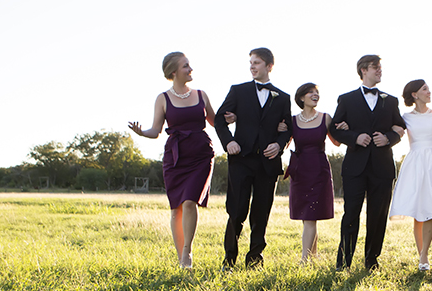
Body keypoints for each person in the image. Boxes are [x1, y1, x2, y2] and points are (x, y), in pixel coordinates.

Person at [128, 51, 215, 269]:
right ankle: (181, 258)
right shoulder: (163, 99)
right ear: (174, 72)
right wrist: (141, 133)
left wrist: (233, 117)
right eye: (186, 66)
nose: (190, 69)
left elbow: (216, 121)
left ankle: (188, 253)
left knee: (189, 201)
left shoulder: (201, 95)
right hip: (176, 158)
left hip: (201, 154)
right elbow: (155, 130)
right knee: (176, 207)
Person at [214, 48, 292, 269]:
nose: (252, 66)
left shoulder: (283, 97)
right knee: (236, 210)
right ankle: (229, 260)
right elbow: (220, 120)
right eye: (250, 63)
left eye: (256, 62)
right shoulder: (238, 91)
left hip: (267, 163)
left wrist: (278, 145)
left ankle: (255, 260)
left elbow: (288, 129)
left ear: (269, 66)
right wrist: (229, 142)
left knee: (261, 212)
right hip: (241, 160)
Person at [329, 55, 406, 271]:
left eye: (380, 67)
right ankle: (343, 263)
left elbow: (400, 127)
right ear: (363, 70)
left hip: (382, 167)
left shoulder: (391, 101)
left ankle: (372, 261)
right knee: (351, 213)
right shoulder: (346, 99)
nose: (380, 71)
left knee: (378, 215)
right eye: (376, 67)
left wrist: (389, 139)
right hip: (355, 167)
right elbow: (334, 128)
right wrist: (355, 137)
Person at [388, 79, 432, 271]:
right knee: (418, 210)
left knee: (431, 207)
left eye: (428, 89)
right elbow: (394, 129)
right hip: (415, 163)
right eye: (425, 89)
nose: (429, 92)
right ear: (415, 95)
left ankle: (425, 253)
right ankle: (422, 256)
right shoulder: (405, 117)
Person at [285, 83, 341, 263]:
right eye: (311, 92)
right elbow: (284, 144)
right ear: (301, 98)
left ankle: (304, 260)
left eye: (317, 92)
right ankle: (312, 256)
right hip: (300, 171)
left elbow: (337, 143)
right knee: (307, 216)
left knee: (311, 216)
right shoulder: (292, 121)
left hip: (319, 170)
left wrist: (341, 128)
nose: (315, 95)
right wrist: (279, 131)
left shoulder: (325, 118)